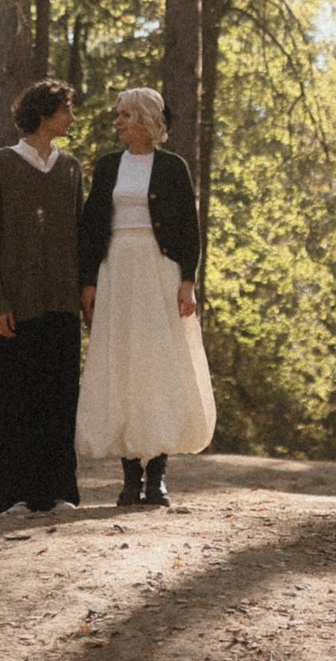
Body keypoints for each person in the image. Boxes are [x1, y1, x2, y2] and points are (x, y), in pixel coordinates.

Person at [75, 86, 215, 507]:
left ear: (144, 119)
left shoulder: (173, 167)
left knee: (157, 367)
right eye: (118, 115)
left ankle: (157, 478)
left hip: (159, 272)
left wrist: (188, 281)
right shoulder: (107, 167)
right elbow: (92, 227)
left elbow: (189, 229)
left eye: (125, 115)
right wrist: (89, 282)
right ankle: (129, 478)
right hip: (117, 270)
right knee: (124, 367)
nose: (118, 122)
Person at [0, 78, 86, 512]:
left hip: (63, 302)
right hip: (18, 304)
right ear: (44, 114)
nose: (72, 118)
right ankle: (15, 495)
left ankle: (59, 492)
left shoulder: (71, 168)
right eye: (66, 110)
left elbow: (80, 235)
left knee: (60, 398)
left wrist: (85, 293)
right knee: (19, 399)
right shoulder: (0, 164)